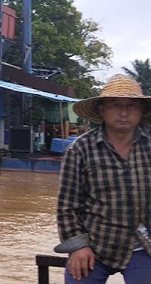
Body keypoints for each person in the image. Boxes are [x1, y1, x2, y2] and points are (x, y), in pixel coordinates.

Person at [55, 74, 151, 283]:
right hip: (96, 244)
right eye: (115, 105)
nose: (124, 113)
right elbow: (67, 206)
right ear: (102, 110)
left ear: (141, 111)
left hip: (142, 245)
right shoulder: (80, 150)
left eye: (132, 106)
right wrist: (78, 246)